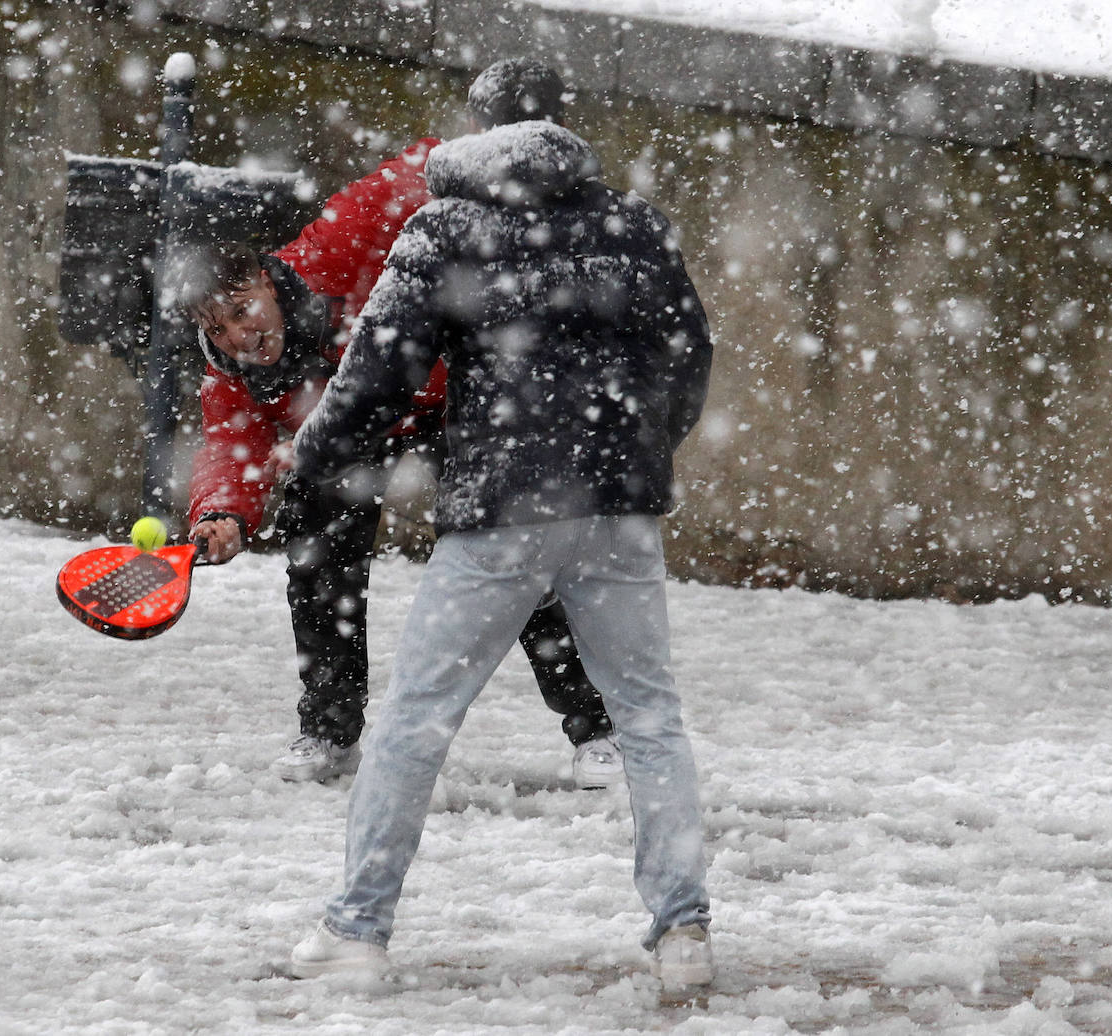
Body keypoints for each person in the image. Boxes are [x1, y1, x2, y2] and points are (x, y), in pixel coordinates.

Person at [285, 59, 717, 991]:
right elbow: (689, 358)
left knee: (415, 718)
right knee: (650, 721)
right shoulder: (631, 224)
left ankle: (357, 931)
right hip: (620, 508)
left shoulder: (445, 226)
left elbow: (375, 376)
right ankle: (683, 932)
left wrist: (311, 463)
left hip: (502, 506)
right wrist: (638, 453)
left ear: (475, 127)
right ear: (565, 124)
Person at [175, 144, 620, 787]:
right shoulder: (230, 375)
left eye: (243, 311)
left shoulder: (331, 250)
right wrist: (220, 513)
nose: (240, 336)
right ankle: (328, 731)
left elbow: (406, 175)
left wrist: (485, 146)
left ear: (269, 282)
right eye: (218, 329)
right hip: (345, 438)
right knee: (316, 546)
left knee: (510, 547)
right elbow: (229, 447)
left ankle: (598, 728)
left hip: (448, 403)